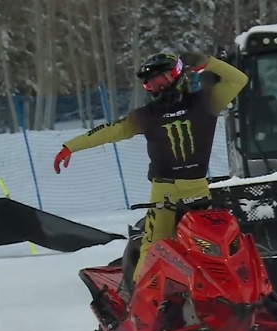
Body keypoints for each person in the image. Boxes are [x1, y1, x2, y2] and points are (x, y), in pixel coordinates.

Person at [53, 51, 248, 289]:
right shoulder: (147, 116)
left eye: (164, 78)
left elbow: (239, 80)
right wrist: (71, 146)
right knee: (154, 246)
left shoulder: (205, 101)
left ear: (178, 75)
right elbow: (111, 130)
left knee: (209, 246)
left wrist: (209, 63)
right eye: (152, 83)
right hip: (163, 191)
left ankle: (216, 294)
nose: (160, 87)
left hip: (196, 187)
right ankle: (139, 295)